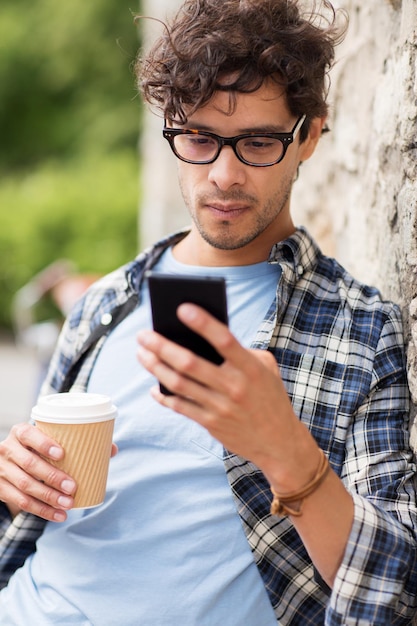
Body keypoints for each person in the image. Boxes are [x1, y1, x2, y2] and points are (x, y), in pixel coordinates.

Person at [0, 0, 416, 623]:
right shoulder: (103, 304)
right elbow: (30, 506)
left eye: (256, 142)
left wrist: (288, 454)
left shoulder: (361, 330)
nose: (223, 175)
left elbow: (398, 592)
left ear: (309, 136)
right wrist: (14, 482)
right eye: (198, 138)